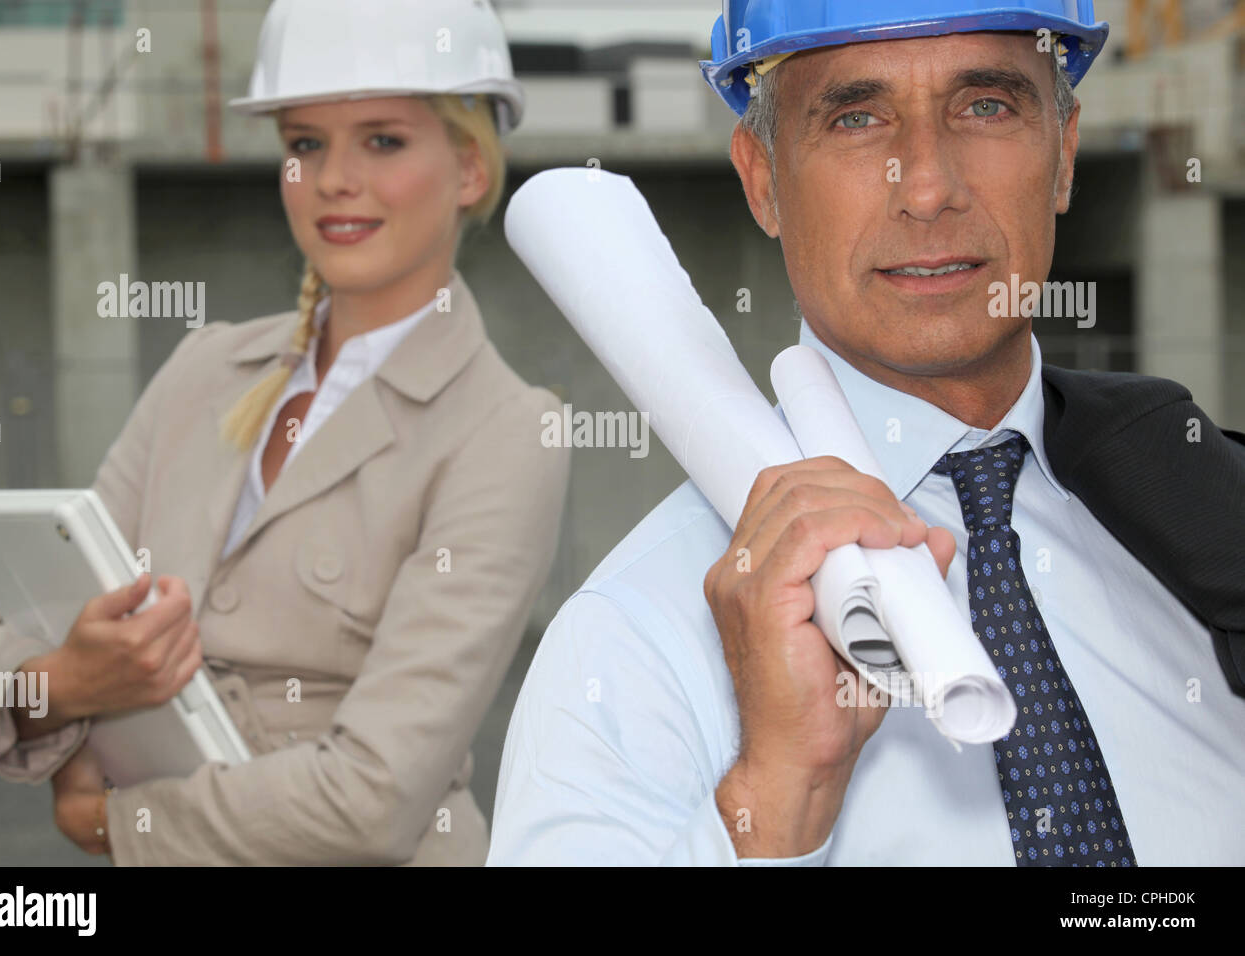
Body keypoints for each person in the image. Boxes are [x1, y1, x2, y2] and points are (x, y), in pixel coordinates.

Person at [487, 0, 1245, 865]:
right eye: (856, 117)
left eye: (986, 105)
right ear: (762, 178)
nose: (925, 187)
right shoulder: (630, 640)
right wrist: (775, 802)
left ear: (1064, 154)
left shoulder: (1204, 525)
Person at [0, 0, 569, 865]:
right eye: (304, 143)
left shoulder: (508, 432)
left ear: (470, 167)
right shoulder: (201, 372)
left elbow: (375, 798)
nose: (333, 180)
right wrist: (67, 683)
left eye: (383, 140)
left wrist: (114, 822)